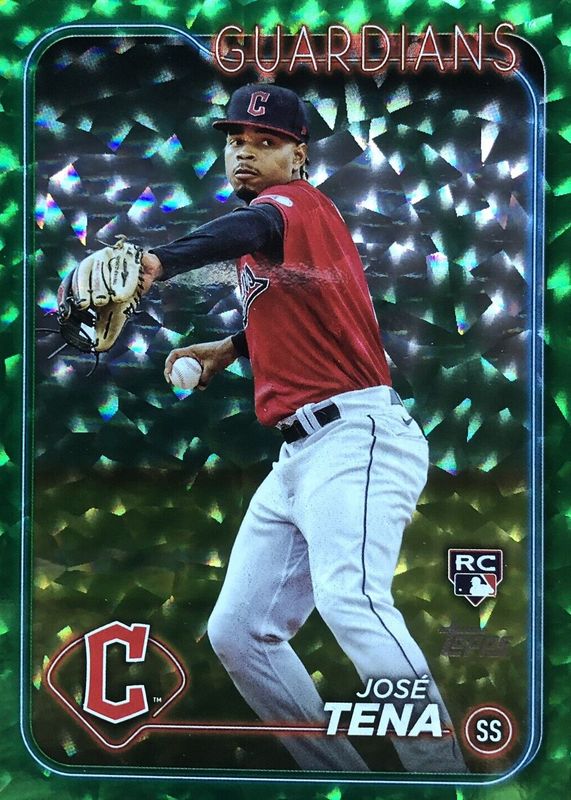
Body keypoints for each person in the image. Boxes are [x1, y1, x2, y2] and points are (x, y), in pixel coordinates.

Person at [140, 83, 467, 773]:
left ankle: (442, 777)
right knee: (239, 631)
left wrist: (159, 262)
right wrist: (231, 348)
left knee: (352, 600)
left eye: (266, 143)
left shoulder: (294, 206)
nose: (246, 153)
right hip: (297, 457)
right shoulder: (285, 240)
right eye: (237, 141)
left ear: (298, 156)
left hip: (356, 437)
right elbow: (306, 311)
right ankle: (340, 778)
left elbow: (245, 230)